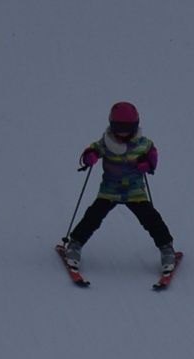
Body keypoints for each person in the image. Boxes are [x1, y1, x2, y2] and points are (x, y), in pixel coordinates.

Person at [60, 102, 177, 273]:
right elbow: (92, 150)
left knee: (151, 219)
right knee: (93, 217)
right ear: (112, 124)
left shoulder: (143, 144)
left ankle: (167, 248)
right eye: (119, 127)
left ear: (135, 125)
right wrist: (89, 157)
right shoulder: (106, 143)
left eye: (127, 127)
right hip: (110, 190)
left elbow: (152, 154)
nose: (123, 131)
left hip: (135, 191)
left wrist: (148, 164)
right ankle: (75, 245)